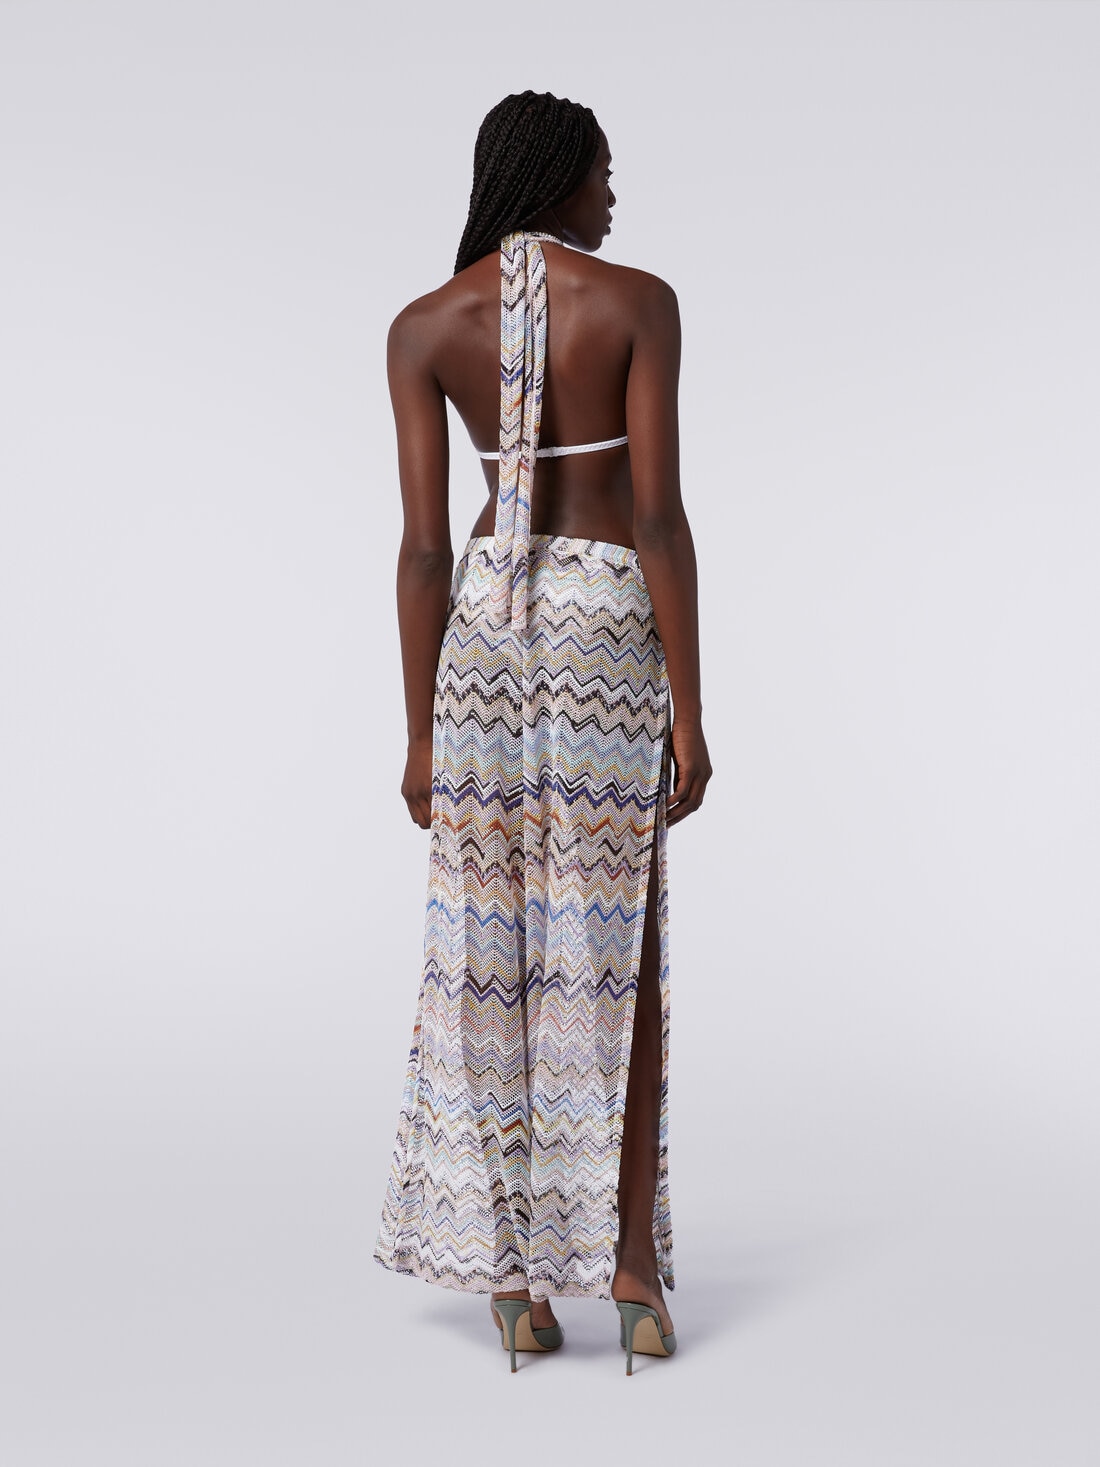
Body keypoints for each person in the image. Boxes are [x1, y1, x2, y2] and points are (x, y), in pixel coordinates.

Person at [374, 90, 712, 1375]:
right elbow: (658, 515)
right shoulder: (637, 303)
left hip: (480, 639)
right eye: (601, 173)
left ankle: (513, 1283)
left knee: (488, 951)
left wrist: (419, 734)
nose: (611, 195)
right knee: (613, 946)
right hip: (599, 625)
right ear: (558, 173)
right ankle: (631, 1273)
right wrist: (690, 707)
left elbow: (421, 549)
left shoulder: (423, 327)